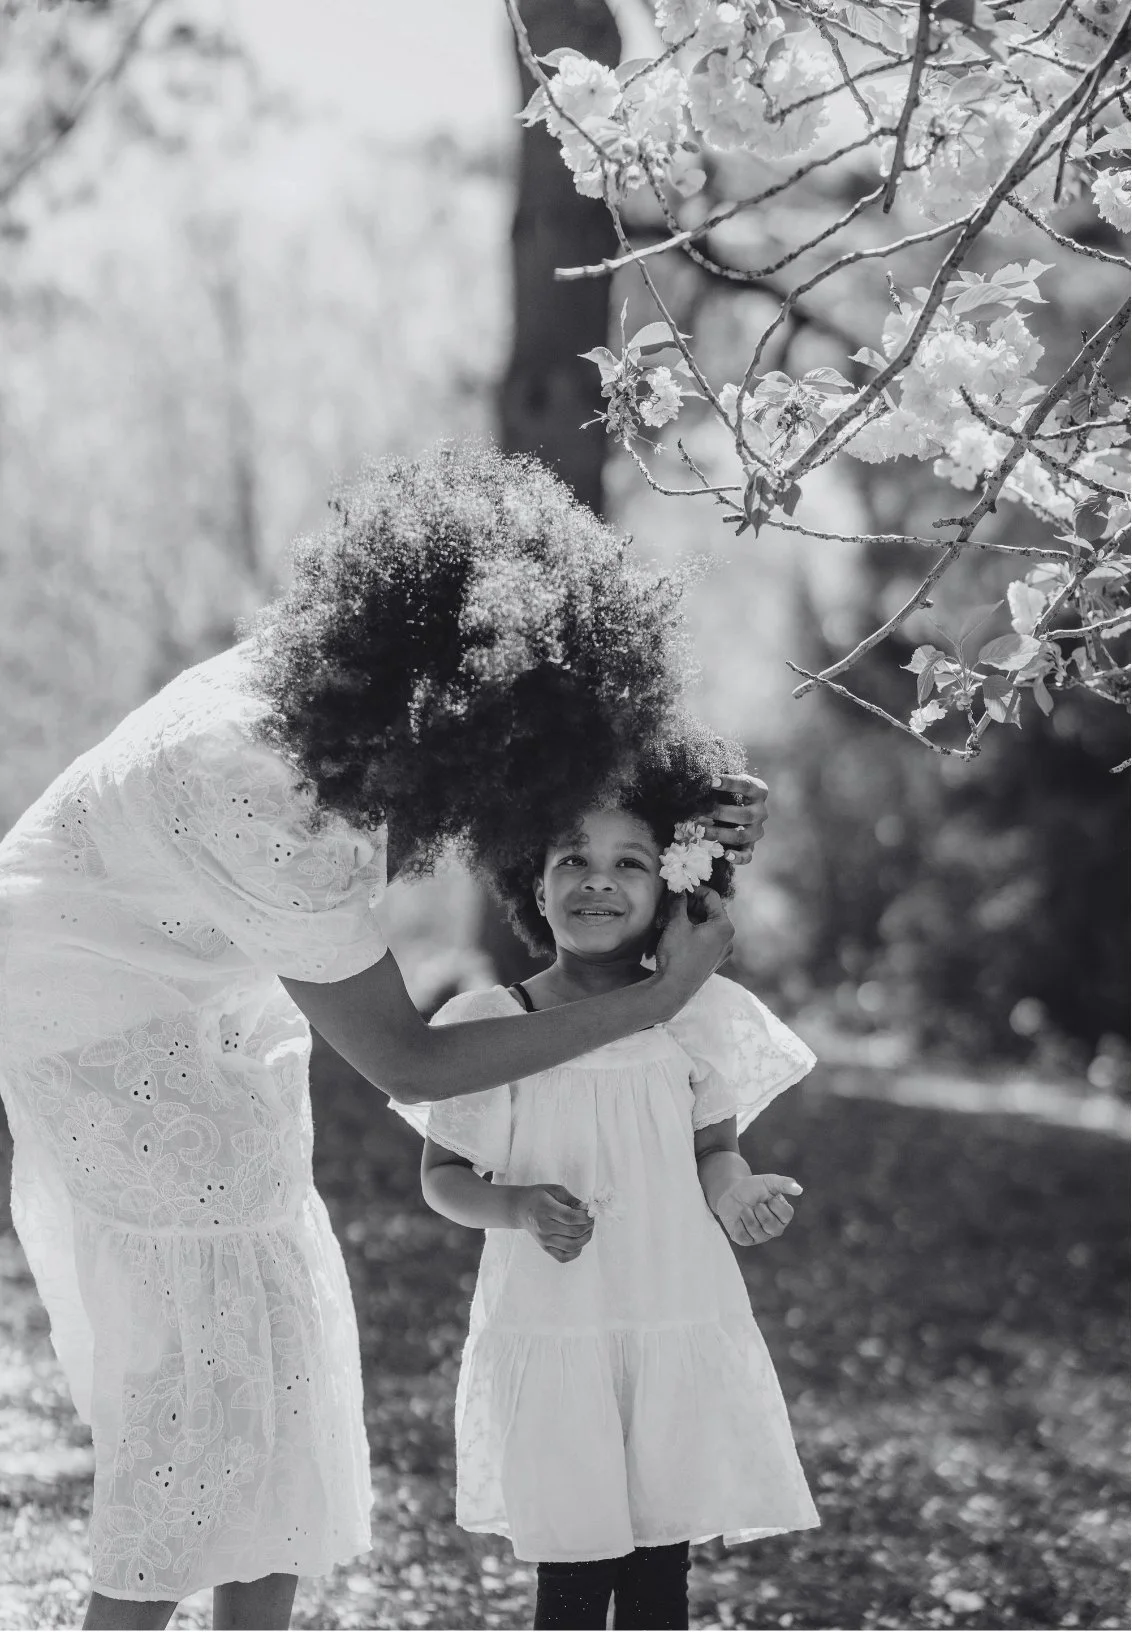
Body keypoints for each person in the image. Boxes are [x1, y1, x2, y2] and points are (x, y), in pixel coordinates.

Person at [0, 444, 767, 1631]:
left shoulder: (349, 707)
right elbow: (409, 1063)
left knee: (279, 1350)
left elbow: (585, 777)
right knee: (198, 1389)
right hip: (90, 1010)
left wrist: (701, 805)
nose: (511, 795)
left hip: (214, 981)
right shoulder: (264, 780)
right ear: (459, 711)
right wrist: (655, 1002)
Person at [392, 723, 820, 1632]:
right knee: (576, 1579)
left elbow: (714, 1150)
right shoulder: (491, 1020)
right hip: (556, 1327)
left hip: (669, 1310)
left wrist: (736, 1194)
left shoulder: (692, 1018)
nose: (598, 879)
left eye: (631, 863)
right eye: (571, 859)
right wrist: (511, 1204)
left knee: (661, 1573)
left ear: (670, 886)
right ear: (531, 883)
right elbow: (443, 1177)